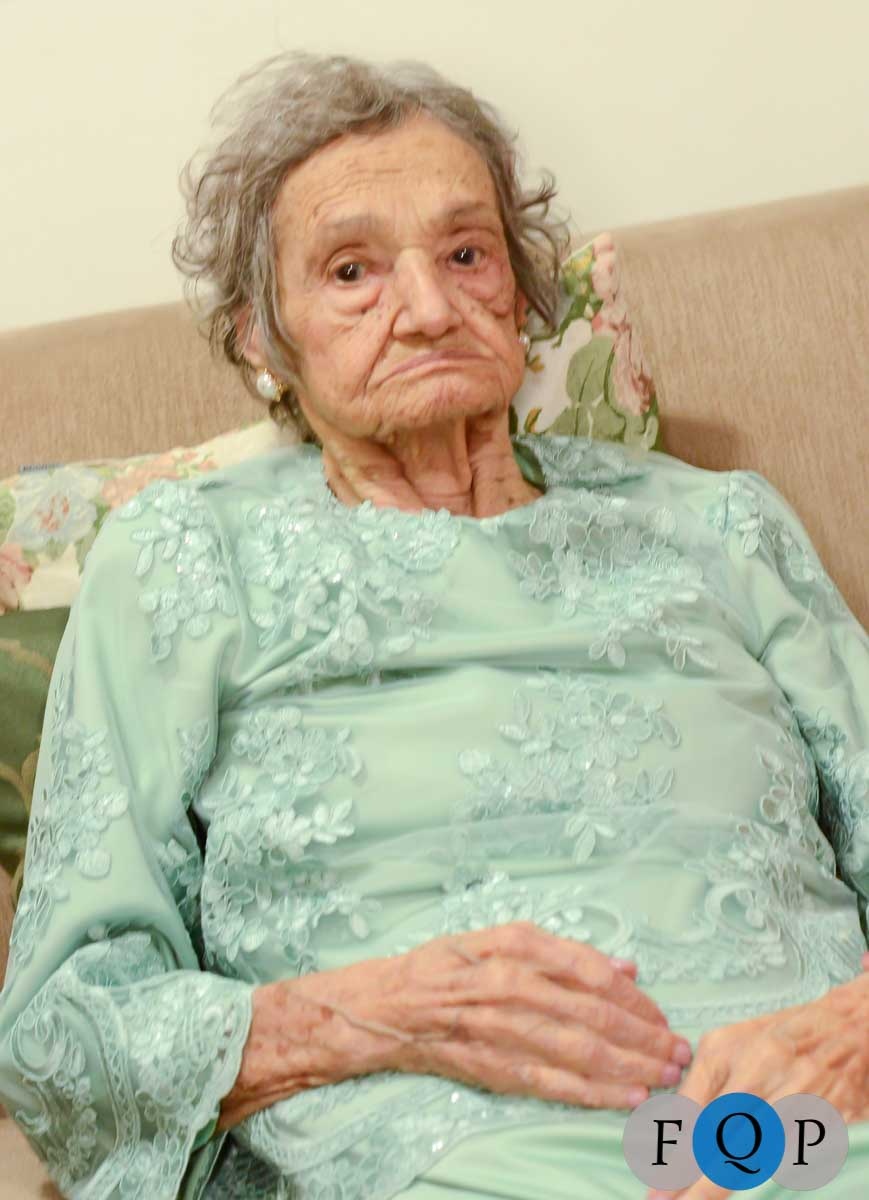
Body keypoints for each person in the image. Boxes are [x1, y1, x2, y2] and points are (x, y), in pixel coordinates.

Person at [0, 49, 867, 1200]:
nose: (426, 310)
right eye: (351, 270)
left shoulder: (721, 526)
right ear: (262, 338)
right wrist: (383, 1014)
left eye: (465, 254)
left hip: (791, 1127)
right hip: (444, 1146)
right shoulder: (183, 557)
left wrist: (849, 1033)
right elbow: (62, 1029)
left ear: (519, 290)